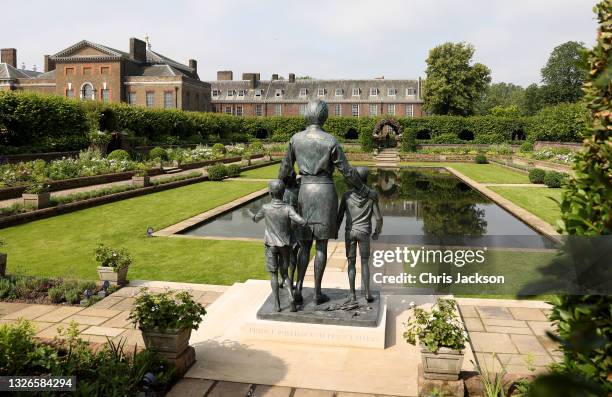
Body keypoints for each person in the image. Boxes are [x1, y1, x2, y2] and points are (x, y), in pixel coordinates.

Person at [278, 99, 376, 305]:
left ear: (307, 115)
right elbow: (347, 172)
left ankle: (298, 287)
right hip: (325, 192)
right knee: (321, 246)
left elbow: (284, 172)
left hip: (305, 191)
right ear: (324, 117)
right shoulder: (330, 141)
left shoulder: (295, 139)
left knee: (304, 245)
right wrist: (364, 189)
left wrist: (294, 182)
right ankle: (316, 294)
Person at [249, 179, 307, 312]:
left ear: (270, 193)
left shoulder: (265, 208)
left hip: (271, 245)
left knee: (273, 274)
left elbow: (256, 219)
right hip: (285, 246)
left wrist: (250, 214)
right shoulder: (288, 208)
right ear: (283, 193)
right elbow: (302, 221)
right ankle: (290, 297)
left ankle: (277, 304)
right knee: (285, 274)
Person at [337, 167, 383, 303]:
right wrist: (376, 232)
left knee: (351, 263)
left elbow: (339, 216)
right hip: (364, 232)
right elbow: (379, 219)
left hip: (350, 232)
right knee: (364, 262)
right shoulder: (372, 195)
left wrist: (334, 230)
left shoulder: (346, 195)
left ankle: (352, 294)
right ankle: (368, 292)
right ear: (366, 179)